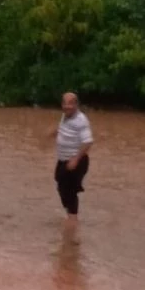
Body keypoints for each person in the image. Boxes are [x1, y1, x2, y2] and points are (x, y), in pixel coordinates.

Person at [54, 91, 93, 220]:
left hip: (76, 161)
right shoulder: (65, 116)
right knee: (60, 183)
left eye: (70, 103)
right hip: (63, 160)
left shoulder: (81, 120)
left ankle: (72, 222)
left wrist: (76, 159)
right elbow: (62, 129)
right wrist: (52, 132)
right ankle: (70, 215)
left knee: (69, 192)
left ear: (76, 104)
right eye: (65, 103)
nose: (67, 106)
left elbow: (88, 141)